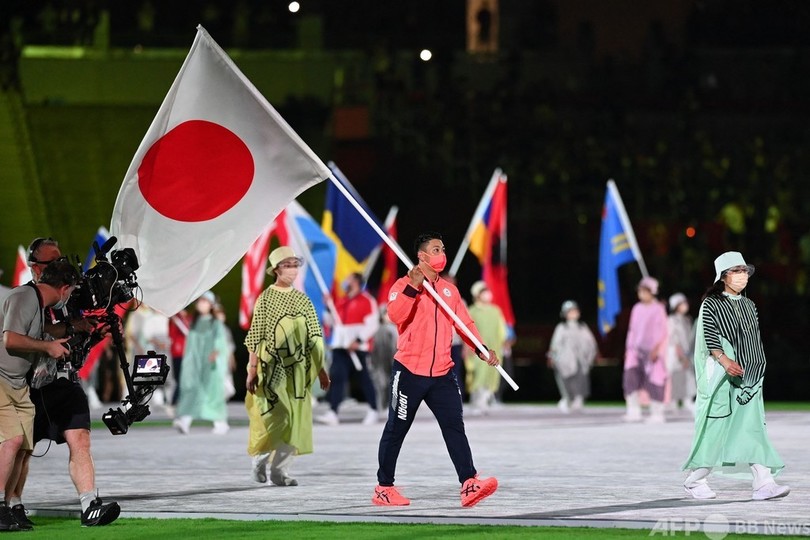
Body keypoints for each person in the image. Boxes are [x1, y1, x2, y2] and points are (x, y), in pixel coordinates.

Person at [373, 232, 499, 508]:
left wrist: (481, 349)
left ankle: (469, 482)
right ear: (422, 256)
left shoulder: (449, 291)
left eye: (442, 248)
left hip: (443, 372)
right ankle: (384, 487)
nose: (442, 253)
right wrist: (413, 288)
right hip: (409, 371)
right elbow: (396, 315)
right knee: (397, 428)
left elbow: (464, 324)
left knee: (454, 427)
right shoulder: (402, 285)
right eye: (436, 249)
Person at [6, 237, 120, 528]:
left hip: (64, 380)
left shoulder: (69, 298)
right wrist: (56, 339)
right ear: (35, 268)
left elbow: (73, 344)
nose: (58, 265)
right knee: (21, 447)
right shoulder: (28, 297)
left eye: (59, 260)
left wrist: (93, 333)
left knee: (80, 440)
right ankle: (12, 504)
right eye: (51, 262)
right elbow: (30, 335)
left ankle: (89, 504)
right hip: (30, 383)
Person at [682, 252, 790, 501]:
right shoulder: (712, 303)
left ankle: (764, 483)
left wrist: (756, 369)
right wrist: (724, 359)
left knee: (751, 428)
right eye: (737, 270)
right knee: (717, 429)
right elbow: (709, 335)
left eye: (745, 270)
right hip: (722, 377)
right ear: (723, 276)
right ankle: (695, 479)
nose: (743, 275)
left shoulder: (749, 305)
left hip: (748, 379)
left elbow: (753, 340)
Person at [1, 259, 79, 531]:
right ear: (65, 288)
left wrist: (73, 330)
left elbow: (37, 334)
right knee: (11, 440)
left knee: (24, 448)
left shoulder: (35, 301)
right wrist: (47, 347)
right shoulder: (23, 296)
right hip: (0, 379)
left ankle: (10, 505)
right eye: (70, 292)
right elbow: (10, 339)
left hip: (18, 383)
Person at [244, 246, 330, 487]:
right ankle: (260, 460)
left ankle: (279, 472)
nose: (292, 269)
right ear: (276, 269)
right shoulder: (266, 298)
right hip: (270, 370)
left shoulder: (302, 299)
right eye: (287, 265)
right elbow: (255, 335)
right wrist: (252, 369)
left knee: (295, 422)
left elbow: (314, 335)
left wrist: (321, 369)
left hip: (299, 373)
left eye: (295, 265)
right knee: (276, 418)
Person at [317, 272, 380, 425]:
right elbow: (333, 322)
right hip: (340, 346)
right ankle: (333, 412)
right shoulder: (342, 301)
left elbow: (373, 324)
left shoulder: (367, 300)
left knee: (364, 379)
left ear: (357, 282)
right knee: (337, 377)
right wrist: (327, 306)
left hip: (358, 348)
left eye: (349, 279)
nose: (346, 282)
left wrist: (358, 340)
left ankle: (373, 410)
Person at [173, 291, 231, 435]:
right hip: (195, 364)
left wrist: (215, 353)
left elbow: (220, 341)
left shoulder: (215, 322)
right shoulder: (195, 322)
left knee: (211, 394)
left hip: (210, 365)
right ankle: (185, 421)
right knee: (193, 391)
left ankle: (221, 423)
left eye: (204, 301)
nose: (201, 304)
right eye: (200, 301)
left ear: (211, 304)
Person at [622, 276, 669, 424]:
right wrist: (628, 348)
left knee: (655, 380)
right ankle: (633, 410)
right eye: (640, 291)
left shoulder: (658, 309)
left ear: (652, 292)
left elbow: (663, 331)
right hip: (635, 350)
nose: (641, 294)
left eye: (644, 291)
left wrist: (657, 349)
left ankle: (657, 412)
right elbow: (632, 330)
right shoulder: (636, 308)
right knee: (631, 377)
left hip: (653, 351)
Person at [465, 281, 508, 415]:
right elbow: (466, 330)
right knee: (478, 374)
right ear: (477, 294)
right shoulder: (472, 311)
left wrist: (503, 342)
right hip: (478, 350)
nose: (487, 294)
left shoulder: (495, 311)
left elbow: (502, 329)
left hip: (494, 348)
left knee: (492, 375)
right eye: (483, 292)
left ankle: (486, 400)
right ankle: (477, 401)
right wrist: (467, 347)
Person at [547, 300, 598, 413]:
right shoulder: (561, 328)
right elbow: (555, 344)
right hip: (565, 362)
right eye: (570, 311)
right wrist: (552, 356)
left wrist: (589, 356)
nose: (573, 313)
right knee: (566, 382)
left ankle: (578, 399)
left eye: (575, 311)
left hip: (580, 361)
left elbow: (591, 344)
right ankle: (567, 399)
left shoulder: (582, 327)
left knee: (580, 380)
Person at [666, 293, 696, 414]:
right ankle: (675, 403)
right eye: (683, 303)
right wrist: (681, 356)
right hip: (677, 355)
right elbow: (674, 340)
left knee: (688, 378)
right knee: (678, 377)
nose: (686, 305)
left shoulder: (687, 320)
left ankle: (687, 401)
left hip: (687, 354)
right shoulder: (672, 320)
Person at [368, 305, 397, 413]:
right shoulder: (380, 329)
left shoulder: (391, 329)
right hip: (380, 361)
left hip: (390, 360)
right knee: (382, 384)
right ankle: (384, 406)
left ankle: (388, 406)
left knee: (390, 383)